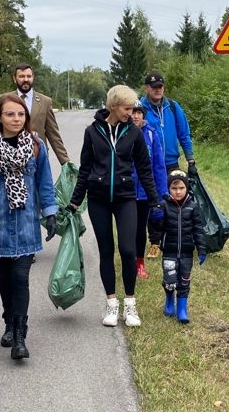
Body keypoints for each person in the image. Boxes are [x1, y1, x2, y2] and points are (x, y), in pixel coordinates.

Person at [0, 93, 59, 360]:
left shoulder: (36, 146)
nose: (16, 119)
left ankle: (20, 336)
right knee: (5, 279)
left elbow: (45, 184)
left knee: (20, 278)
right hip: (0, 223)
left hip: (27, 222)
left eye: (20, 114)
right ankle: (8, 323)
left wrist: (50, 214)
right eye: (10, 114)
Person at [68, 85, 160, 328]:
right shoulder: (92, 132)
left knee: (128, 250)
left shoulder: (134, 133)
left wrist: (154, 198)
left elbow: (144, 169)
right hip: (98, 199)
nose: (132, 113)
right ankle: (111, 304)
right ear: (113, 107)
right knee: (106, 250)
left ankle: (130, 304)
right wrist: (76, 200)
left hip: (125, 197)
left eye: (133, 109)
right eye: (127, 108)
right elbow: (85, 169)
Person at [150, 170, 206, 324]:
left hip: (187, 252)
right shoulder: (164, 205)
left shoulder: (193, 207)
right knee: (170, 279)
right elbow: (156, 228)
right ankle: (169, 300)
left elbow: (198, 229)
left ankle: (182, 309)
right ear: (169, 189)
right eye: (174, 188)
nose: (178, 191)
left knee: (184, 280)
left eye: (181, 188)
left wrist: (201, 249)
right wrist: (155, 219)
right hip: (169, 251)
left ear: (186, 188)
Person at [131, 101, 168, 280]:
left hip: (145, 192)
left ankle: (139, 263)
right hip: (127, 191)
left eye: (139, 112)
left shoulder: (151, 135)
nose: (136, 116)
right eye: (132, 112)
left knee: (140, 229)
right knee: (127, 229)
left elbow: (159, 167)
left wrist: (160, 195)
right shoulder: (122, 134)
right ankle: (128, 260)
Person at [139, 71, 196, 178]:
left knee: (175, 193)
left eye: (160, 86)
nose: (158, 89)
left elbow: (184, 134)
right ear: (146, 88)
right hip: (148, 164)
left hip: (171, 164)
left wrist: (191, 160)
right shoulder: (140, 109)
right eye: (154, 87)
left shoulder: (173, 107)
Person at [12, 63, 70, 166]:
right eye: (21, 76)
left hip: (38, 159)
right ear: (15, 78)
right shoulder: (5, 100)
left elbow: (53, 135)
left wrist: (65, 162)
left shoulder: (45, 102)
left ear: (33, 78)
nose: (26, 79)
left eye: (28, 76)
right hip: (10, 159)